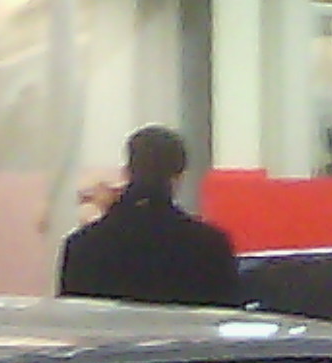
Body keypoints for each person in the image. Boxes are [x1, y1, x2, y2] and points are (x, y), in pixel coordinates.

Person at [57, 126, 239, 307]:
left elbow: (73, 317)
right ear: (179, 177)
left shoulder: (82, 246)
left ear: (127, 171)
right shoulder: (210, 245)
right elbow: (224, 316)